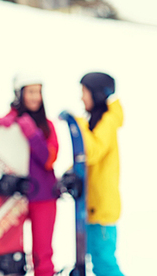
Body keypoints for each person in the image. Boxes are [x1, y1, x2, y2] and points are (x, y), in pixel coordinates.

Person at [0, 73, 59, 276]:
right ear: (20, 94)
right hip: (14, 197)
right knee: (5, 252)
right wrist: (8, 127)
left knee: (42, 255)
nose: (36, 97)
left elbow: (49, 159)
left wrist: (32, 134)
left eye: (38, 92)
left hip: (43, 197)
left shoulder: (48, 127)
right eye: (31, 92)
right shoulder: (5, 124)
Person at [77, 72, 124, 276]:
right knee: (98, 262)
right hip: (94, 205)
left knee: (104, 264)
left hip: (102, 208)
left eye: (84, 92)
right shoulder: (98, 120)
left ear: (96, 94)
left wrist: (77, 125)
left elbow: (93, 152)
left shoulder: (107, 122)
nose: (81, 97)